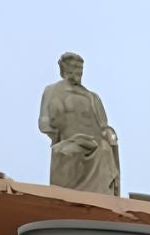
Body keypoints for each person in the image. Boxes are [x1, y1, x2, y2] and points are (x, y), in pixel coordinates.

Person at [38, 54, 120, 194]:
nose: (75, 76)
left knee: (106, 149)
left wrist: (109, 132)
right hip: (69, 142)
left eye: (79, 72)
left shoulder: (92, 97)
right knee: (70, 151)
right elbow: (44, 123)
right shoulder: (52, 91)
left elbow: (103, 125)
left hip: (94, 144)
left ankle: (104, 199)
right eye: (71, 71)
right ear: (63, 71)